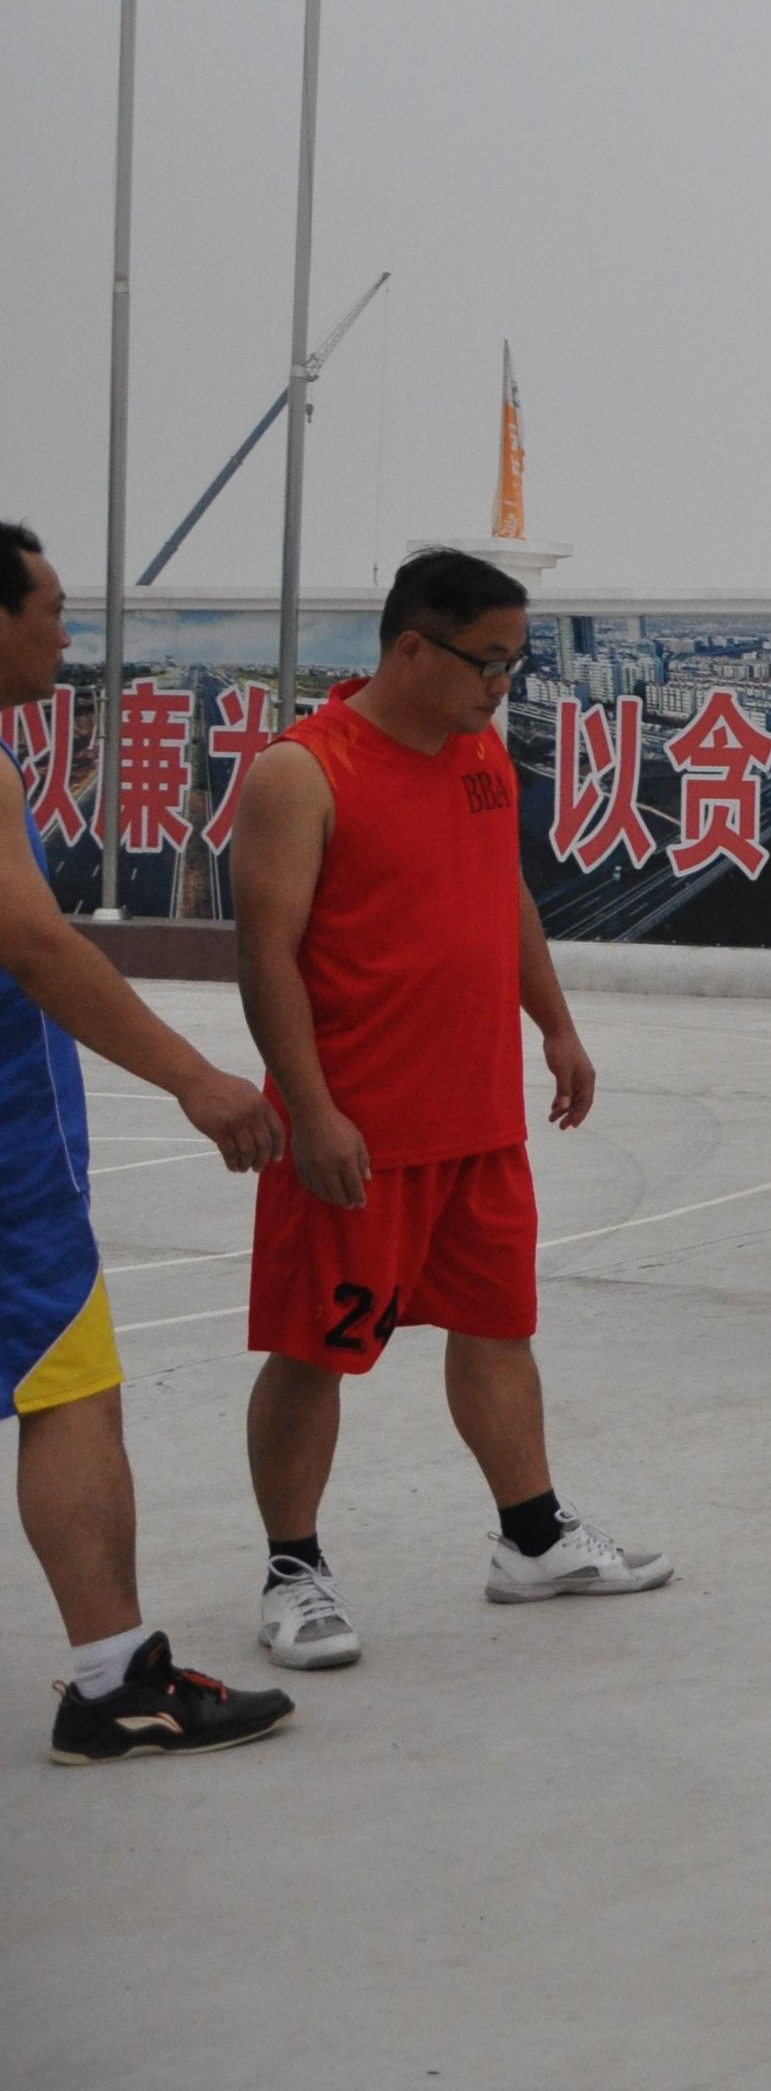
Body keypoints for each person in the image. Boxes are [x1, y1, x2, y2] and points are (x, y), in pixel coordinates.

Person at [225, 549, 662, 1676]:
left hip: (478, 1123)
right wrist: (311, 1111)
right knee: (313, 1350)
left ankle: (533, 1538)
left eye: (515, 663)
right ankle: (292, 1570)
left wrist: (554, 1025)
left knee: (498, 1327)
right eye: (488, 662)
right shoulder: (302, 772)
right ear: (412, 647)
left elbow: (502, 893)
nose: (502, 685)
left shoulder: (482, 755)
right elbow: (265, 954)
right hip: (355, 1135)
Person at [0, 522, 297, 1760]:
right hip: (11, 1162)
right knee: (68, 1384)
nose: (68, 634)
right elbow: (36, 942)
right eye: (52, 609)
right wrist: (194, 1077)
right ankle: (115, 1679)